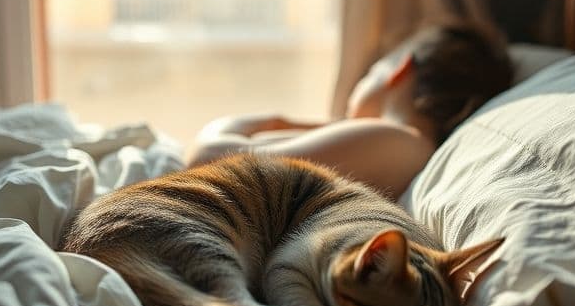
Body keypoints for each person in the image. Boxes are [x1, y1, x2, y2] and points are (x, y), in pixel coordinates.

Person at [185, 21, 514, 201]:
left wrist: (274, 119)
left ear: (401, 70)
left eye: (372, 71)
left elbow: (207, 162)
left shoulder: (396, 140)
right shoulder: (394, 142)